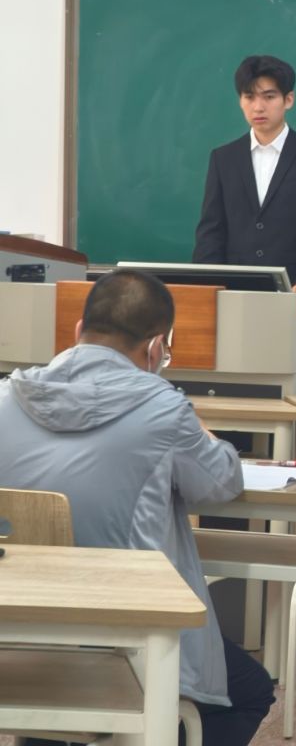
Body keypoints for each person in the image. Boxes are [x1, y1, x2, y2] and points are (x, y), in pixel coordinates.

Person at [0, 269, 274, 745]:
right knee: (250, 691)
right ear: (156, 348)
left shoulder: (6, 397)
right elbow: (221, 482)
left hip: (21, 633)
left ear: (78, 330)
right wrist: (197, 425)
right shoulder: (164, 410)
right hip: (127, 632)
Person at [193, 54, 296, 292]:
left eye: (269, 97)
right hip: (231, 289)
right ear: (240, 101)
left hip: (292, 288)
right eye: (249, 97)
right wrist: (206, 284)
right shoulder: (223, 158)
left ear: (288, 100)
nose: (258, 107)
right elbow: (211, 229)